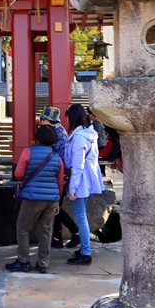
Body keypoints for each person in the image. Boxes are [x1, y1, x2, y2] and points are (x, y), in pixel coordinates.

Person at [6, 124, 64, 274]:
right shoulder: (57, 157)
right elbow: (59, 181)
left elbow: (19, 174)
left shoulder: (28, 152)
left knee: (23, 228)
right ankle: (43, 264)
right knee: (46, 230)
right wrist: (57, 200)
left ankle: (23, 261)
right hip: (51, 199)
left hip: (32, 197)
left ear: (38, 137)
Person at [64, 104, 104, 265]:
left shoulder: (80, 137)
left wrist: (72, 188)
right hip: (86, 180)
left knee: (81, 217)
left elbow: (77, 165)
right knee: (82, 216)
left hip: (79, 181)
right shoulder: (90, 134)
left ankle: (86, 252)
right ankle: (83, 249)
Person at [39, 106, 79, 249]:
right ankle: (57, 238)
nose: (40, 122)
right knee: (55, 207)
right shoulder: (60, 130)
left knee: (54, 207)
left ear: (47, 120)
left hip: (58, 175)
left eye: (42, 119)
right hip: (61, 174)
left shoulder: (55, 134)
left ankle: (76, 232)